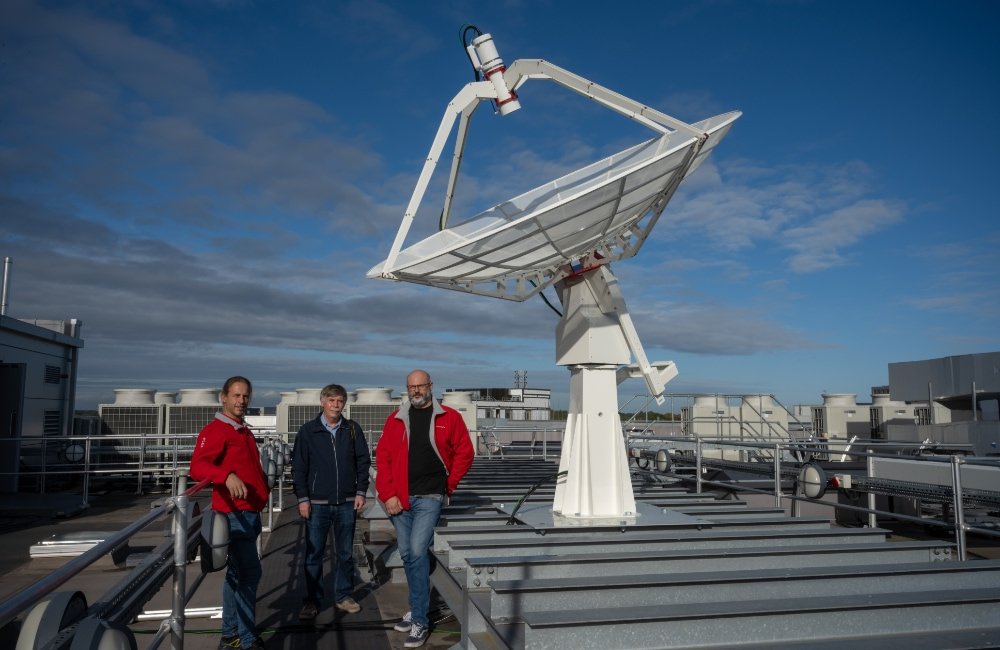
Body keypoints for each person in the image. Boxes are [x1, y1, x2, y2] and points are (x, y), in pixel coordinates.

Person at [375, 369, 475, 648]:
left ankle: (420, 620)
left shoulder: (449, 418)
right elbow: (383, 459)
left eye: (420, 386)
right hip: (401, 498)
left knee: (417, 551)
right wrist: (388, 495)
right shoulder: (396, 419)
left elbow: (465, 453)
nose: (416, 391)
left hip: (430, 496)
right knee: (408, 554)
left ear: (431, 386)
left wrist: (449, 485)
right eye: (411, 387)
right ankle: (417, 607)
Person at [189, 376, 268, 650]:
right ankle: (247, 639)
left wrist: (262, 490)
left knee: (235, 576)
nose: (241, 401)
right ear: (223, 397)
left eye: (245, 396)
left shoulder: (241, 430)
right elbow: (198, 467)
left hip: (249, 512)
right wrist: (226, 475)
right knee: (250, 574)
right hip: (233, 515)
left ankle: (229, 634)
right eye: (236, 395)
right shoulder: (217, 430)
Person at [291, 383, 371, 620]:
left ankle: (343, 596)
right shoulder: (308, 432)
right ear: (322, 402)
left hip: (347, 502)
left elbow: (363, 462)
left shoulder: (352, 429)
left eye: (340, 401)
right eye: (332, 400)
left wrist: (361, 492)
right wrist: (303, 499)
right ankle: (312, 600)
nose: (336, 405)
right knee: (314, 554)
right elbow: (299, 468)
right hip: (317, 504)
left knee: (345, 553)